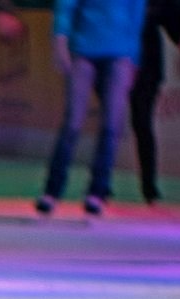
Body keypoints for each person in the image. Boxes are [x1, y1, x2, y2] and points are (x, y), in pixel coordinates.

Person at [36, 0, 139, 207]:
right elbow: (66, 6)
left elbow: (136, 15)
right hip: (83, 49)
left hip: (120, 54)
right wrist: (60, 39)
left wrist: (134, 58)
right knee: (73, 122)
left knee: (112, 124)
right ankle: (52, 190)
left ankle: (97, 190)